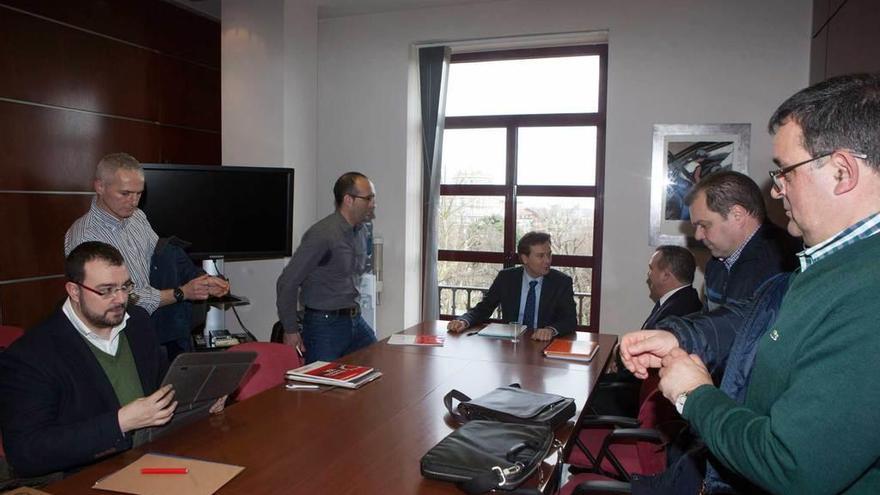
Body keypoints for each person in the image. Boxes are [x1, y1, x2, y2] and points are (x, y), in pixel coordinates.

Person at [620, 73, 880, 494]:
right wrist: (678, 336)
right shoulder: (829, 263)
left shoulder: (868, 292)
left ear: (841, 172)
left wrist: (694, 396)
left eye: (785, 173)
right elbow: (754, 319)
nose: (776, 191)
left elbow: (792, 467)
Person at [0, 242, 176, 477]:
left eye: (125, 287)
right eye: (106, 290)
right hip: (88, 475)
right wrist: (119, 423)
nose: (120, 299)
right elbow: (26, 453)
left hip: (153, 458)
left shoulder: (138, 322)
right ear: (74, 291)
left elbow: (162, 387)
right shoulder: (30, 355)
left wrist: (201, 400)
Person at [64, 153, 229, 358]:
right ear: (99, 186)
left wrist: (201, 279)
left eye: (138, 194)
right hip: (115, 338)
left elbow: (163, 256)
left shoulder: (137, 217)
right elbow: (117, 297)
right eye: (124, 193)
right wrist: (181, 293)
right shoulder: (86, 237)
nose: (133, 202)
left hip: (149, 330)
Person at [276, 171, 377, 363]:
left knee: (374, 365)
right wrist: (290, 330)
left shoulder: (361, 231)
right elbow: (287, 282)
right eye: (368, 198)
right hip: (324, 326)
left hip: (354, 320)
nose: (373, 204)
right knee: (323, 389)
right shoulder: (322, 234)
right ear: (349, 200)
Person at [591, 245, 703, 416]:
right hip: (636, 383)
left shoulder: (680, 310)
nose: (648, 274)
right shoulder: (678, 300)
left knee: (581, 396)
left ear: (666, 275)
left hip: (640, 394)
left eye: (651, 269)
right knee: (590, 382)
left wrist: (618, 354)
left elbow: (648, 355)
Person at [685, 170, 797, 311]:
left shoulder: (785, 266)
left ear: (737, 215)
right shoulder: (715, 265)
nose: (698, 236)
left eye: (704, 225)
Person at [446, 232, 577, 341]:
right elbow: (483, 308)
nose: (547, 260)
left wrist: (550, 330)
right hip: (510, 344)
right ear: (525, 258)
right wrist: (463, 321)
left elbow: (570, 320)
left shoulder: (561, 282)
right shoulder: (506, 278)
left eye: (549, 254)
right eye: (540, 256)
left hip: (543, 344)